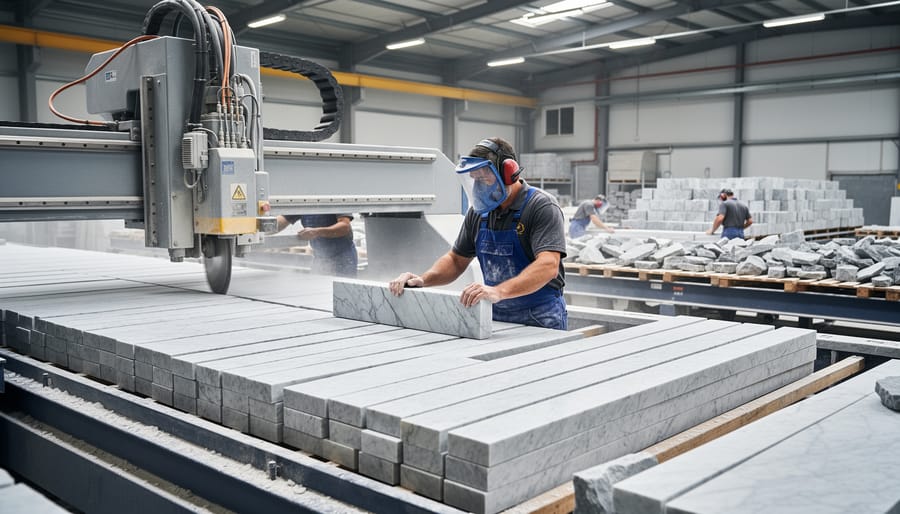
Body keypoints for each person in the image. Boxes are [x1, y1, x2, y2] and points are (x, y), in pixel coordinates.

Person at [388, 137, 569, 330]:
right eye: (475, 180)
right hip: (495, 311)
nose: (480, 188)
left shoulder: (540, 206)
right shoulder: (480, 212)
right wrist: (424, 280)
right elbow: (456, 260)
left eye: (484, 179)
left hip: (540, 315)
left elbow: (548, 265)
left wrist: (499, 291)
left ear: (508, 173)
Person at [276, 214, 358, 277]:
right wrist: (264, 228)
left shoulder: (334, 195)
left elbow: (344, 226)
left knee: (343, 294)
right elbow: (281, 221)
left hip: (343, 258)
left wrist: (317, 232)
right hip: (320, 258)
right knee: (317, 289)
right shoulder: (302, 200)